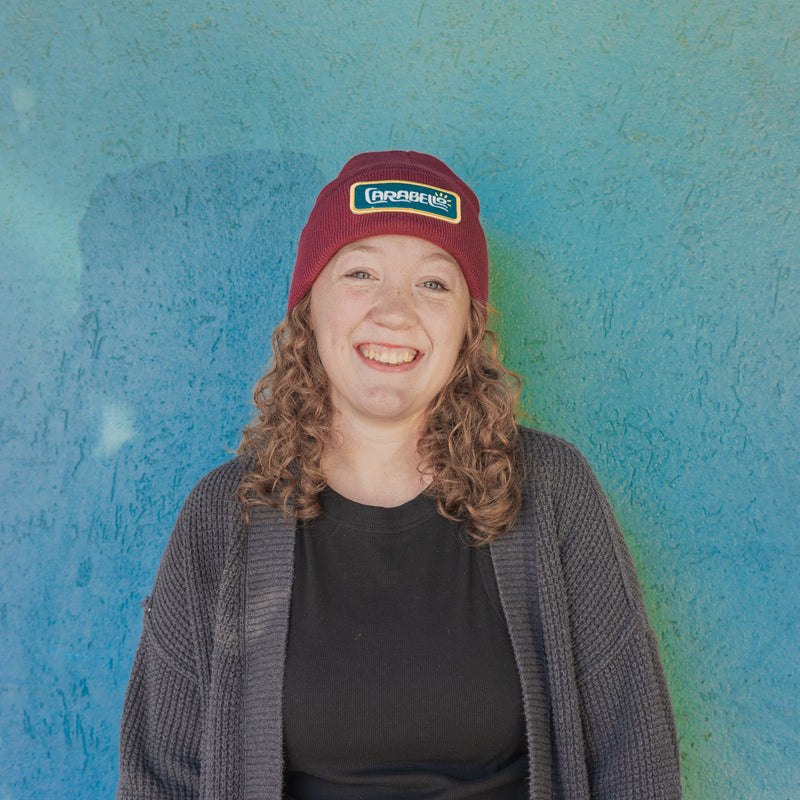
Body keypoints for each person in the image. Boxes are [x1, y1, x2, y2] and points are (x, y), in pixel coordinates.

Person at [117, 151, 682, 800]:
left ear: (469, 328)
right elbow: (159, 778)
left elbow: (635, 762)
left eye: (434, 283)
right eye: (361, 272)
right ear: (308, 308)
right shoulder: (223, 516)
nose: (395, 311)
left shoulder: (552, 491)